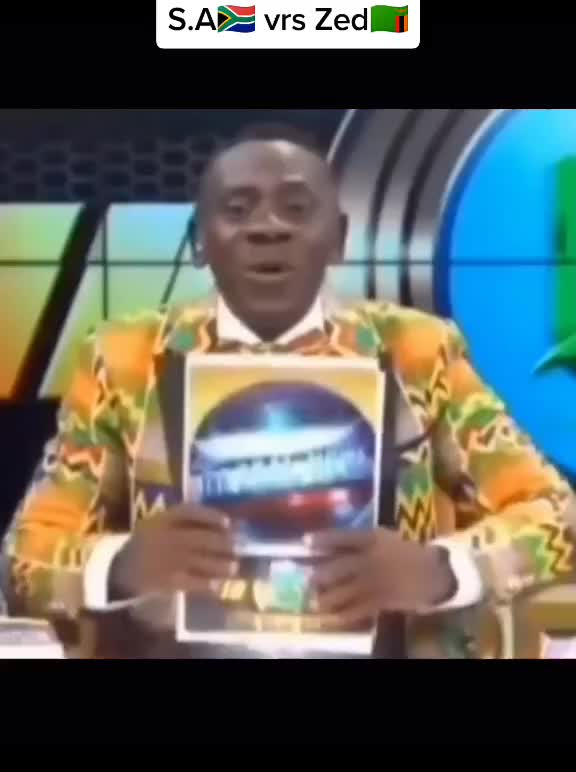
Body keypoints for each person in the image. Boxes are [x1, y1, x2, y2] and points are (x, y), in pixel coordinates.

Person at [3, 124, 575, 658]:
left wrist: (440, 571)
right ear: (199, 240)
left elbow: (556, 518)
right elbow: (25, 559)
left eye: (297, 208)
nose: (268, 227)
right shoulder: (123, 359)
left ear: (339, 239)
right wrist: (121, 566)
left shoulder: (419, 352)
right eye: (237, 208)